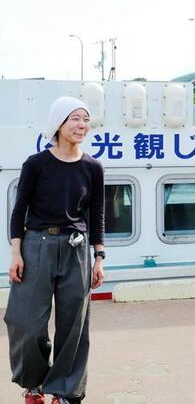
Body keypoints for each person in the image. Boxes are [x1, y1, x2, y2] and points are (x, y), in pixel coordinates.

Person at [4, 97, 106, 404]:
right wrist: (16, 253)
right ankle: (33, 384)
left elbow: (97, 215)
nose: (81, 125)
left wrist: (99, 257)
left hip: (76, 249)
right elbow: (18, 211)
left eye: (85, 119)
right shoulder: (36, 164)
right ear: (58, 124)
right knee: (26, 322)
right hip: (36, 245)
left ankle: (65, 391)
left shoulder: (92, 167)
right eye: (74, 119)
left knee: (74, 325)